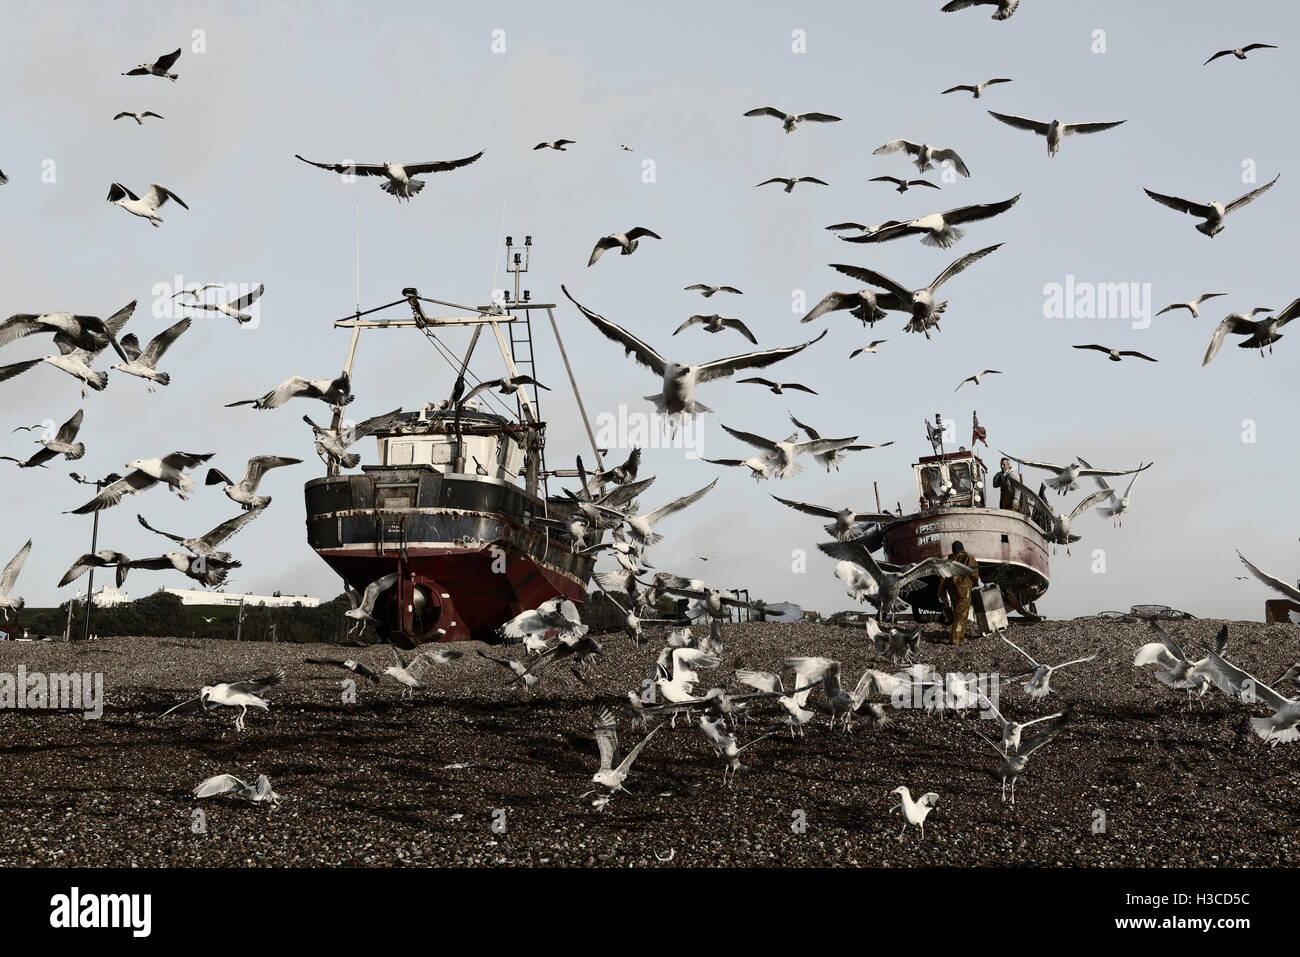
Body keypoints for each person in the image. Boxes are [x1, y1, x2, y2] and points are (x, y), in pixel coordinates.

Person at [944, 540, 980, 645]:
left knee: (958, 614)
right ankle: (955, 639)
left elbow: (943, 577)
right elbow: (973, 572)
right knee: (962, 615)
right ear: (962, 548)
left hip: (952, 591)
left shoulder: (949, 560)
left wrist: (941, 592)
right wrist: (977, 582)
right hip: (964, 590)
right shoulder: (968, 557)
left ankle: (960, 637)